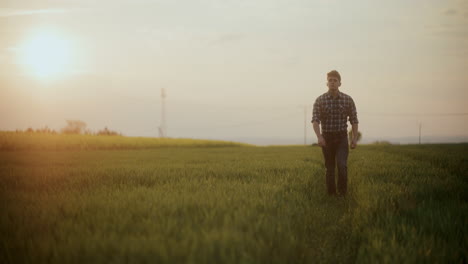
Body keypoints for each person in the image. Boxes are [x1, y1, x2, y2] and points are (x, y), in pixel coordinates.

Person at [311, 70, 359, 196]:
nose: (332, 83)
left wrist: (354, 139)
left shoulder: (348, 100)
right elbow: (315, 120)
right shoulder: (319, 100)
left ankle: (342, 194)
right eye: (330, 80)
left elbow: (354, 120)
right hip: (327, 138)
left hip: (342, 137)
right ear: (327, 83)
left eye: (335, 80)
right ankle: (331, 195)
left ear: (340, 83)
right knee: (330, 168)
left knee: (342, 165)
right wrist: (319, 137)